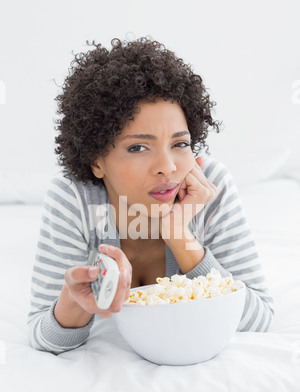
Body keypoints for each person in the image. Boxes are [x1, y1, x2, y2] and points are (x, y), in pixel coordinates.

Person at [28, 38, 274, 354]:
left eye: (180, 144)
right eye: (138, 147)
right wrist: (76, 301)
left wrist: (178, 235)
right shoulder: (74, 198)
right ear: (96, 161)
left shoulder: (210, 186)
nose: (168, 168)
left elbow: (259, 320)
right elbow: (44, 338)